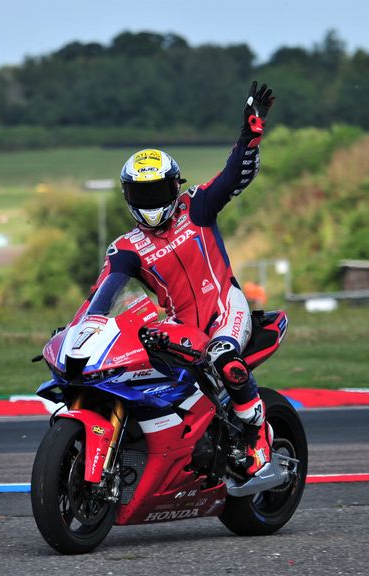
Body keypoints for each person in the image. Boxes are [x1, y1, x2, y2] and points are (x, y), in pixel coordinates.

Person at [72, 82, 276, 476]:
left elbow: (233, 176)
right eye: (142, 194)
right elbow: (102, 294)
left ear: (175, 187)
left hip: (225, 309)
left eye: (158, 191)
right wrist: (80, 330)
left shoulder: (197, 206)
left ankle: (257, 438)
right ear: (128, 196)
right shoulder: (126, 247)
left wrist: (250, 133)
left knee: (223, 358)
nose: (151, 202)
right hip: (181, 327)